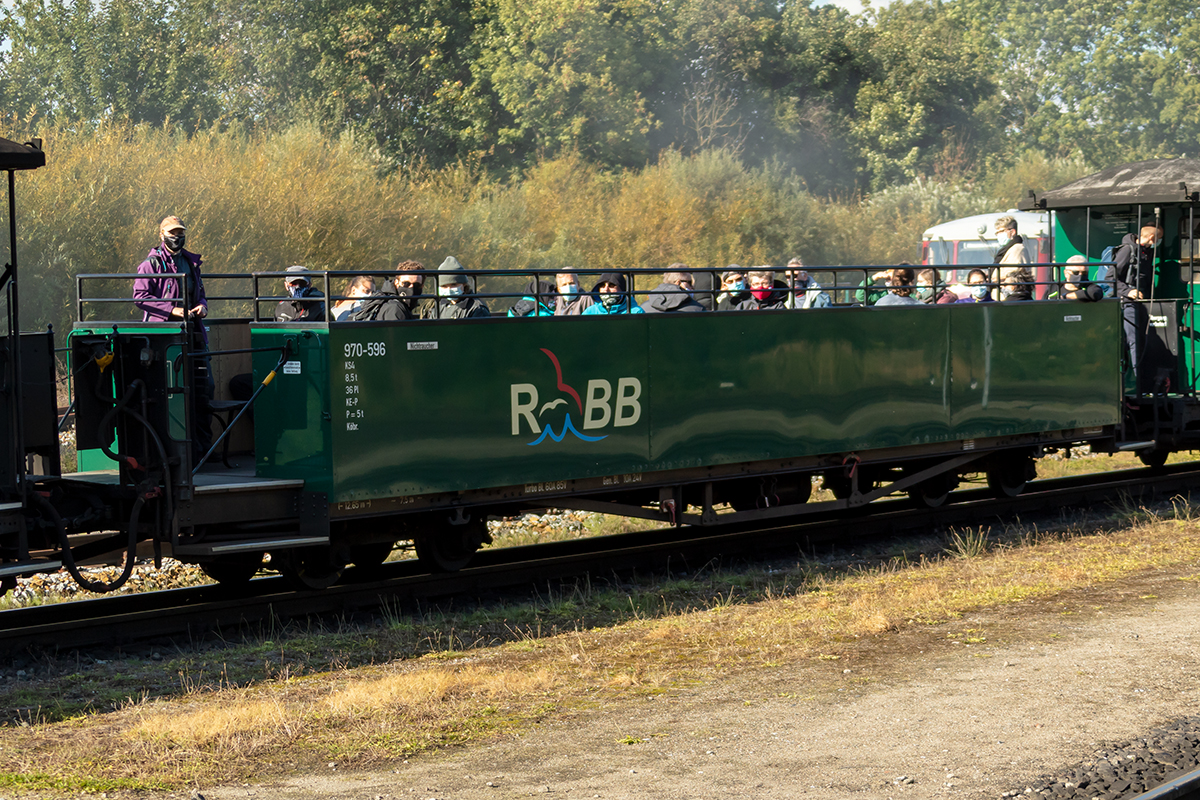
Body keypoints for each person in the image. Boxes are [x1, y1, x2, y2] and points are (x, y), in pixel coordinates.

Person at [132, 215, 213, 463]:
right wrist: (172, 310)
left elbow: (200, 293)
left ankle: (202, 451)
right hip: (164, 338)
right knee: (172, 394)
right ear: (162, 235)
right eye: (172, 233)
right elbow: (140, 297)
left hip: (192, 333)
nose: (177, 237)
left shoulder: (191, 263)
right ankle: (173, 453)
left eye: (180, 233)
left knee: (203, 391)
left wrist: (202, 306)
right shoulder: (151, 264)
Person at [1113, 224, 1162, 393]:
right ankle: (1133, 385)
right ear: (1152, 238)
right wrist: (1128, 291)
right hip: (1128, 303)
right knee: (1132, 341)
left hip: (1141, 303)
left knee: (1139, 341)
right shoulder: (1128, 250)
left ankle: (1140, 383)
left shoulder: (1145, 252)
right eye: (1159, 238)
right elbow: (1111, 277)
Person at [349, 259, 425, 321]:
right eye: (406, 283)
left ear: (422, 286)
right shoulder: (394, 308)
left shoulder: (394, 304)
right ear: (396, 283)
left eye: (416, 285)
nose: (411, 288)